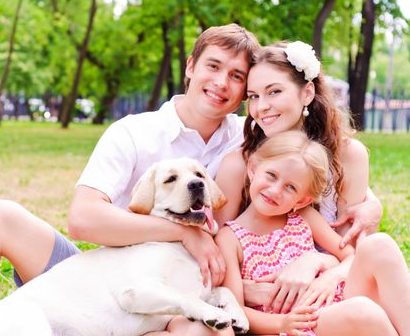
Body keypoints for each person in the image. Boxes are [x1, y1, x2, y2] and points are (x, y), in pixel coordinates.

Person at [0, 30, 380, 335]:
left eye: (238, 77)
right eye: (212, 66)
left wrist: (367, 206)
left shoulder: (248, 139)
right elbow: (83, 219)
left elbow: (298, 176)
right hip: (106, 273)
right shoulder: (135, 131)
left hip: (183, 284)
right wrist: (183, 230)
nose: (224, 83)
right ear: (190, 68)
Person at [155, 131, 410, 336]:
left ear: (302, 199)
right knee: (364, 311)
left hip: (337, 299)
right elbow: (237, 309)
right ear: (253, 169)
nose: (276, 190)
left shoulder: (303, 216)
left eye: (290, 187)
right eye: (271, 175)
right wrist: (282, 324)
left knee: (380, 244)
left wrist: (328, 277)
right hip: (301, 323)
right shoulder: (229, 238)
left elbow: (350, 254)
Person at [214, 41, 382, 315]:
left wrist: (317, 264)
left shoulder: (348, 156)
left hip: (335, 291)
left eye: (274, 92)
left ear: (307, 93)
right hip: (275, 304)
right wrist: (246, 291)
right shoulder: (239, 164)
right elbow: (219, 256)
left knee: (380, 250)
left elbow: (351, 252)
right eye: (254, 96)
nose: (262, 107)